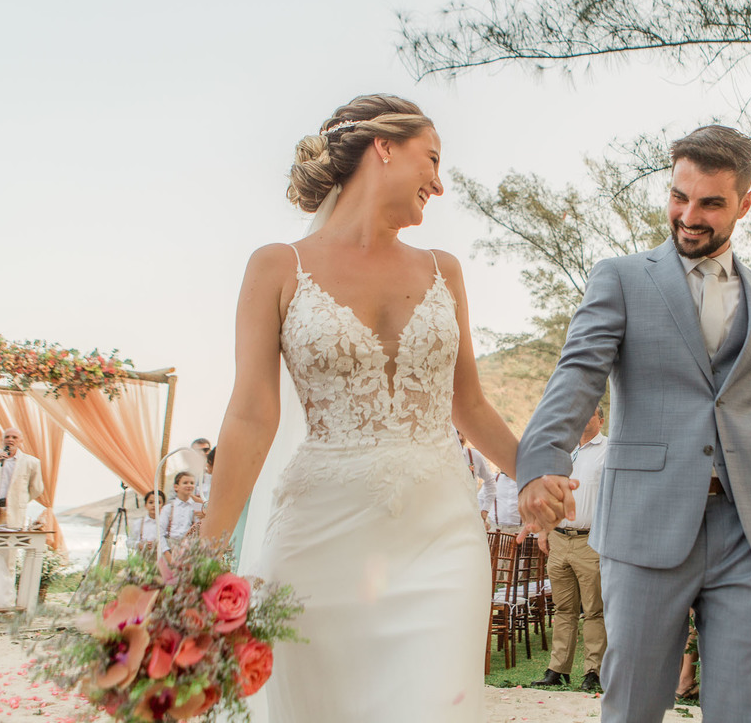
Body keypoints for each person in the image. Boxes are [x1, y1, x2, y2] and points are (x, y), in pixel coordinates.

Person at [515, 124, 751, 723]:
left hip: (747, 531)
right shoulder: (621, 278)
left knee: (743, 707)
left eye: (711, 203)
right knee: (634, 705)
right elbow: (577, 374)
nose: (689, 215)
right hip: (646, 520)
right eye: (680, 196)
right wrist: (542, 462)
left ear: (746, 203)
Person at [198, 94, 518, 723]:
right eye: (432, 158)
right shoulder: (276, 266)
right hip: (318, 538)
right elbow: (251, 416)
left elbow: (470, 406)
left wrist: (538, 469)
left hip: (441, 539)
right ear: (384, 148)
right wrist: (206, 555)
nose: (440, 183)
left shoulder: (443, 270)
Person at [532, 407, 608, 693]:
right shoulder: (562, 451)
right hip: (559, 539)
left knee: (593, 610)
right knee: (563, 609)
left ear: (601, 420)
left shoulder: (609, 450)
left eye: (592, 412)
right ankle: (557, 669)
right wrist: (544, 529)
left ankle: (594, 671)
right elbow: (549, 493)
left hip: (590, 541)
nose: (585, 416)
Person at [0, 428, 44, 530]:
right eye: (7, 437)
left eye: (14, 437)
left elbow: (37, 488)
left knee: (9, 540)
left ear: (20, 441)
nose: (10, 439)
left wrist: (21, 499)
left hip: (13, 509)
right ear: (2, 440)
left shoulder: (31, 462)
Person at [459, 431, 495, 528]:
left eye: (462, 432)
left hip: (469, 518)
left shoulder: (474, 456)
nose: (460, 437)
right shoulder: (440, 457)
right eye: (456, 432)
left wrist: (485, 510)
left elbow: (490, 482)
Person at [160, 472, 203, 546]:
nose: (189, 485)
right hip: (171, 545)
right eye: (185, 483)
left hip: (190, 546)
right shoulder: (168, 508)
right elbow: (160, 532)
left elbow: (200, 526)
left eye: (192, 483)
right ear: (176, 487)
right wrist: (166, 551)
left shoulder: (197, 506)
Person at [128, 490, 165, 555]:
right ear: (145, 505)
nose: (154, 505)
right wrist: (139, 545)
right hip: (142, 559)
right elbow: (129, 542)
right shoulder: (139, 523)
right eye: (151, 502)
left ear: (163, 505)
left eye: (158, 502)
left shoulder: (166, 523)